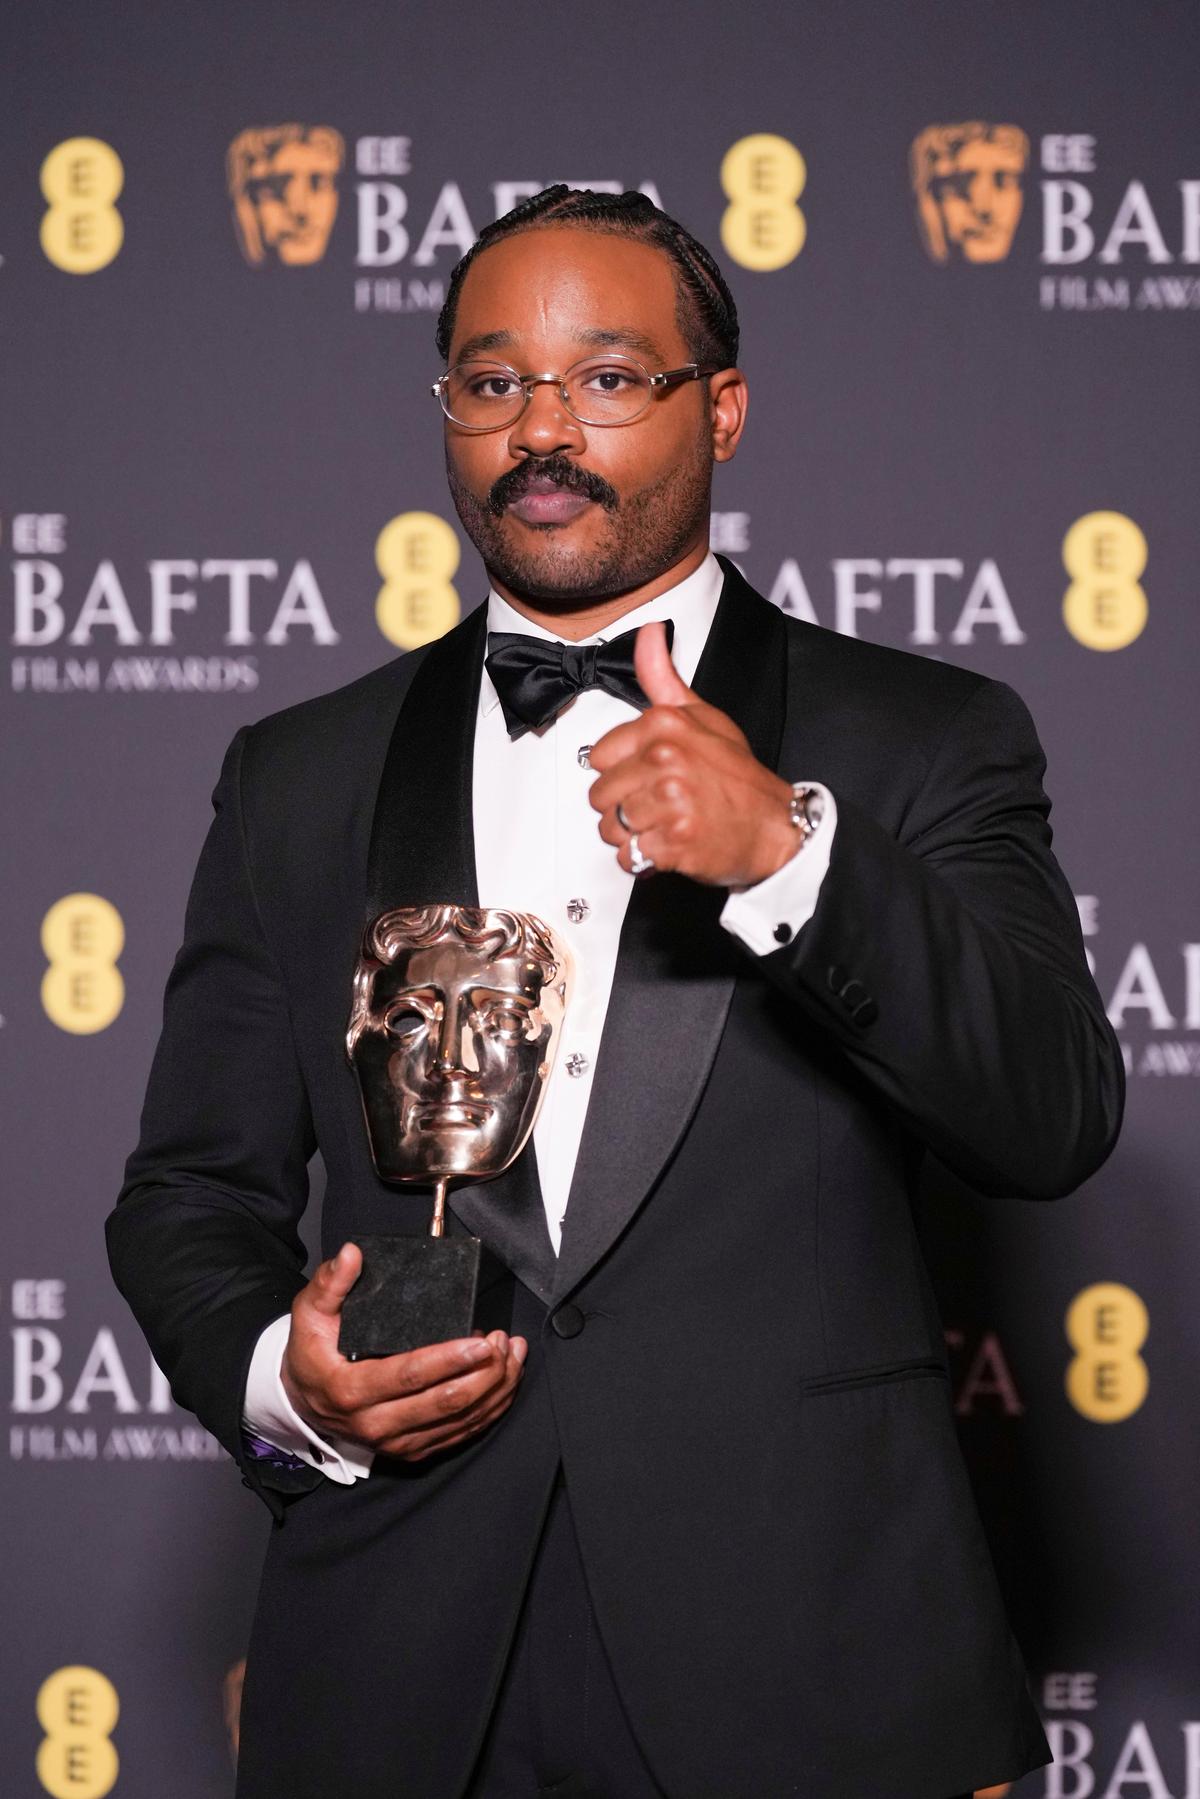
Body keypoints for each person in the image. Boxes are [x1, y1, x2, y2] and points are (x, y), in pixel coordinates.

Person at [107, 186, 1123, 1799]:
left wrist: (790, 861)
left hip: (808, 1661)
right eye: (494, 382)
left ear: (720, 407)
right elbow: (189, 1193)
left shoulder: (923, 735)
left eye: (608, 378)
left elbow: (1051, 1116)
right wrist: (276, 1379)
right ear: (446, 413)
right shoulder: (296, 773)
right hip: (398, 1655)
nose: (543, 431)